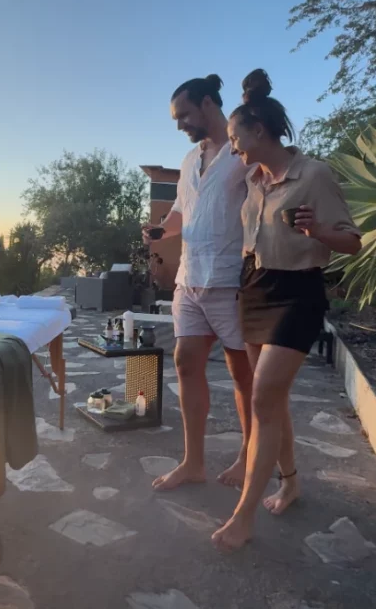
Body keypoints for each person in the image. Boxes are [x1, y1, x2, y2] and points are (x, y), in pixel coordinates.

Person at [211, 69, 362, 552]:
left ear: (259, 132)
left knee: (261, 399)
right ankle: (290, 481)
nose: (233, 149)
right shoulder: (254, 178)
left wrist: (318, 231)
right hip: (255, 288)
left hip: (298, 292)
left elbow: (353, 243)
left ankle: (244, 516)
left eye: (236, 139)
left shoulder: (314, 174)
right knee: (269, 400)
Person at [142, 74, 255, 490]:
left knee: (243, 376)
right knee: (186, 363)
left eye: (184, 115)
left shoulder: (245, 152)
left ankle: (248, 456)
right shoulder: (190, 162)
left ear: (208, 104)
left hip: (231, 283)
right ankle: (193, 462)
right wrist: (159, 231)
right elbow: (180, 213)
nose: (180, 125)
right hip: (189, 282)